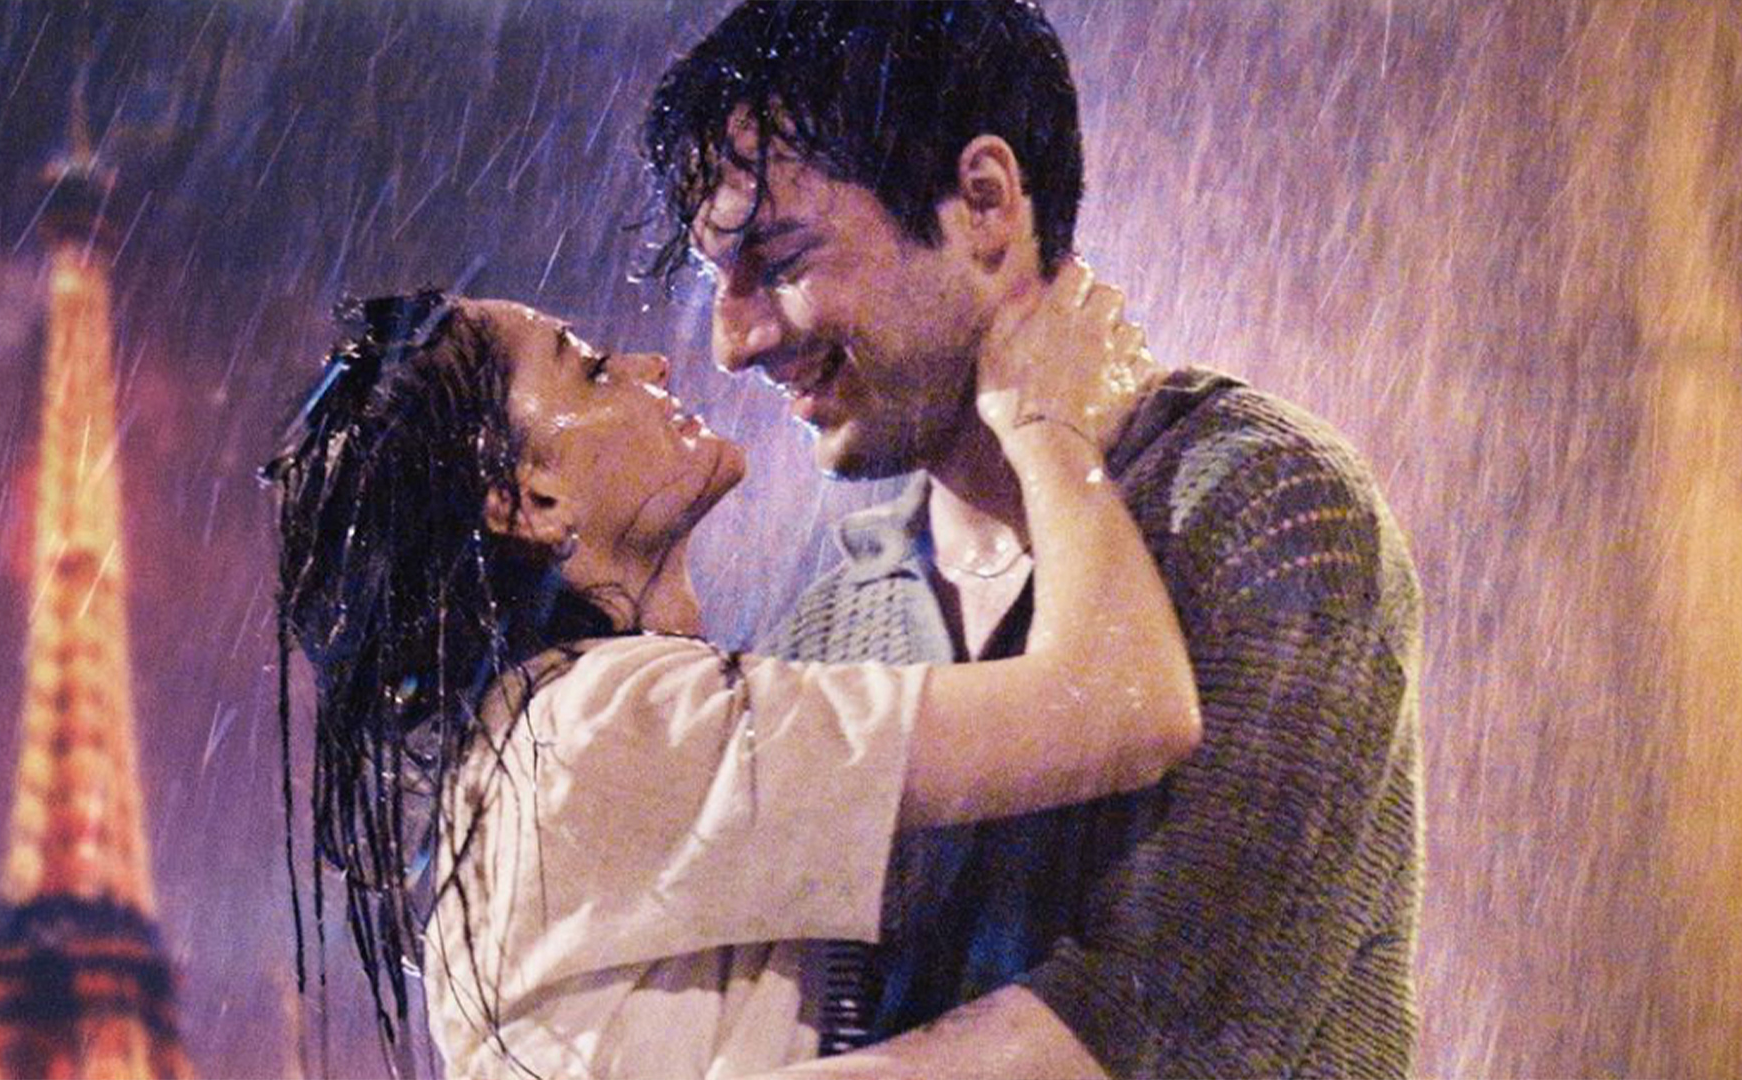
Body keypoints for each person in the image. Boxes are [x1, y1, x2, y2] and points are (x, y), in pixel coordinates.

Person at [639, 2, 1425, 1077]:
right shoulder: (836, 619)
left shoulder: (1265, 506)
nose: (732, 341)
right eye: (714, 279)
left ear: (984, 203)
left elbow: (1172, 1031)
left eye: (775, 256)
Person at [264, 281, 1201, 1078]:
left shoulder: (532, 752)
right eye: (592, 371)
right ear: (530, 501)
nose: (654, 366)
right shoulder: (598, 729)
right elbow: (1124, 707)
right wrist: (1045, 422)